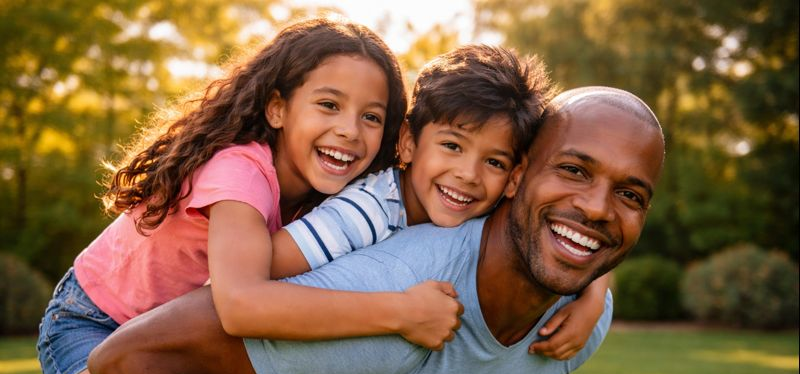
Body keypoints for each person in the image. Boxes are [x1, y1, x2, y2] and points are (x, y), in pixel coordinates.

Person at [89, 85, 666, 374]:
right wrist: (395, 311)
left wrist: (593, 289)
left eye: (630, 194)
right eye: (572, 170)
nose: (596, 208)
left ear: (508, 174)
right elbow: (139, 350)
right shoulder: (392, 267)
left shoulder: (579, 321)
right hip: (101, 313)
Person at [37, 17, 454, 374]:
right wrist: (402, 313)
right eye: (328, 104)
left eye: (371, 116)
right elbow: (241, 304)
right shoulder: (239, 172)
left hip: (173, 335)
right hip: (93, 321)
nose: (350, 129)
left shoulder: (335, 197)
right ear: (277, 109)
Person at [255, 44, 610, 358]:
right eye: (452, 146)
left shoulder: (483, 213)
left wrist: (592, 302)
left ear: (514, 178)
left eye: (494, 162)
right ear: (408, 141)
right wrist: (400, 312)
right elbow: (250, 287)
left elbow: (560, 232)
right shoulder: (368, 210)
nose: (469, 175)